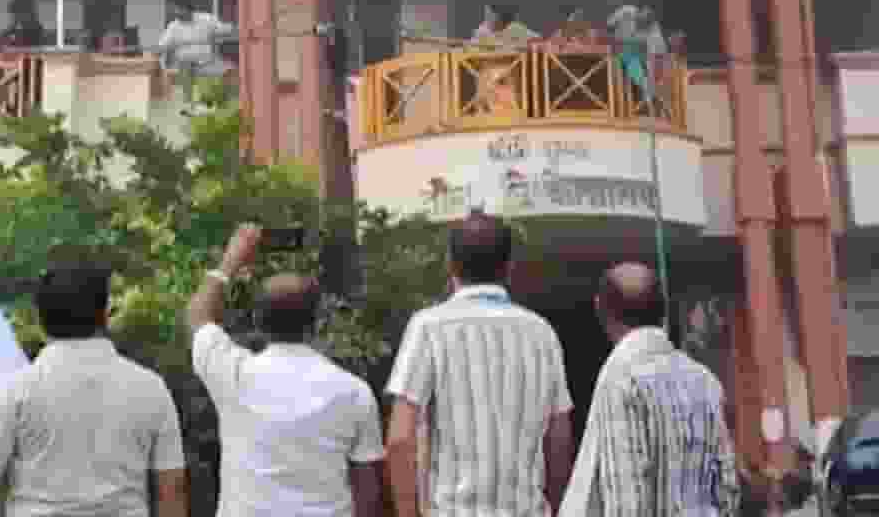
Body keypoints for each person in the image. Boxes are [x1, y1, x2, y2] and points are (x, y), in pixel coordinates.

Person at [0, 260, 189, 517]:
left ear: (40, 319)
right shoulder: (151, 388)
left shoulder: (16, 389)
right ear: (104, 313)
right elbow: (173, 489)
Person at [186, 224, 385, 517]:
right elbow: (368, 492)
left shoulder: (232, 373)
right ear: (317, 322)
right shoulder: (354, 392)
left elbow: (197, 315)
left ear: (258, 321)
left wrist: (231, 259)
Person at [386, 209, 574, 517]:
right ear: (509, 267)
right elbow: (559, 437)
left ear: (450, 264)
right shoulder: (542, 333)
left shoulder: (429, 327)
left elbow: (400, 438)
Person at [558, 263, 740, 517]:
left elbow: (626, 505)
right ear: (663, 310)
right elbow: (728, 490)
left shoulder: (622, 381)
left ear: (600, 309)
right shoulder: (706, 381)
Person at [159, 0, 234, 74]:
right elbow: (163, 45)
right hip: (184, 66)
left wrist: (227, 30)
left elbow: (225, 30)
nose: (176, 13)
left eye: (178, 10)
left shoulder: (206, 19)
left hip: (207, 65)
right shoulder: (173, 26)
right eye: (174, 11)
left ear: (187, 10)